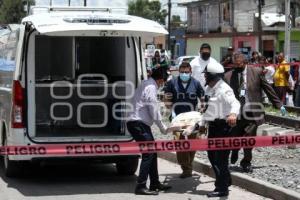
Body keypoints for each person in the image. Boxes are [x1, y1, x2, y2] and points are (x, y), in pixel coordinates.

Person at [183, 61, 240, 197]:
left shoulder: (224, 89)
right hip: (214, 127)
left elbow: (235, 103)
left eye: (206, 75)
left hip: (224, 128)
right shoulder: (210, 89)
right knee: (212, 156)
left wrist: (233, 114)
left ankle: (221, 188)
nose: (205, 77)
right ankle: (226, 179)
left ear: (212, 76)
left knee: (220, 159)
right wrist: (196, 126)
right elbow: (209, 111)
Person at [224, 52, 285, 173]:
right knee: (234, 137)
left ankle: (246, 162)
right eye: (235, 65)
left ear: (245, 62)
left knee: (249, 139)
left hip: (252, 112)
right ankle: (235, 150)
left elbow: (268, 88)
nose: (237, 67)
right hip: (236, 114)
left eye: (240, 64)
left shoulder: (256, 72)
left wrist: (279, 104)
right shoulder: (228, 76)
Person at [127, 67, 173, 195]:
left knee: (152, 152)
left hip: (139, 123)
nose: (162, 84)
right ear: (160, 79)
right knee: (148, 153)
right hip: (138, 123)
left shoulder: (146, 83)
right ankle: (141, 186)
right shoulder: (151, 87)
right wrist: (162, 127)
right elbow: (154, 110)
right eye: (163, 81)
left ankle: (154, 183)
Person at [163, 62, 204, 178]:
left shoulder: (196, 83)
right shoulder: (172, 83)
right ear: (179, 72)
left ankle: (189, 163)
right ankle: (186, 168)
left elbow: (202, 97)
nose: (184, 74)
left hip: (192, 119)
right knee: (180, 144)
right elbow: (167, 98)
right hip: (178, 119)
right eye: (182, 72)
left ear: (190, 72)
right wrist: (168, 104)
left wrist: (202, 108)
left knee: (192, 143)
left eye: (187, 72)